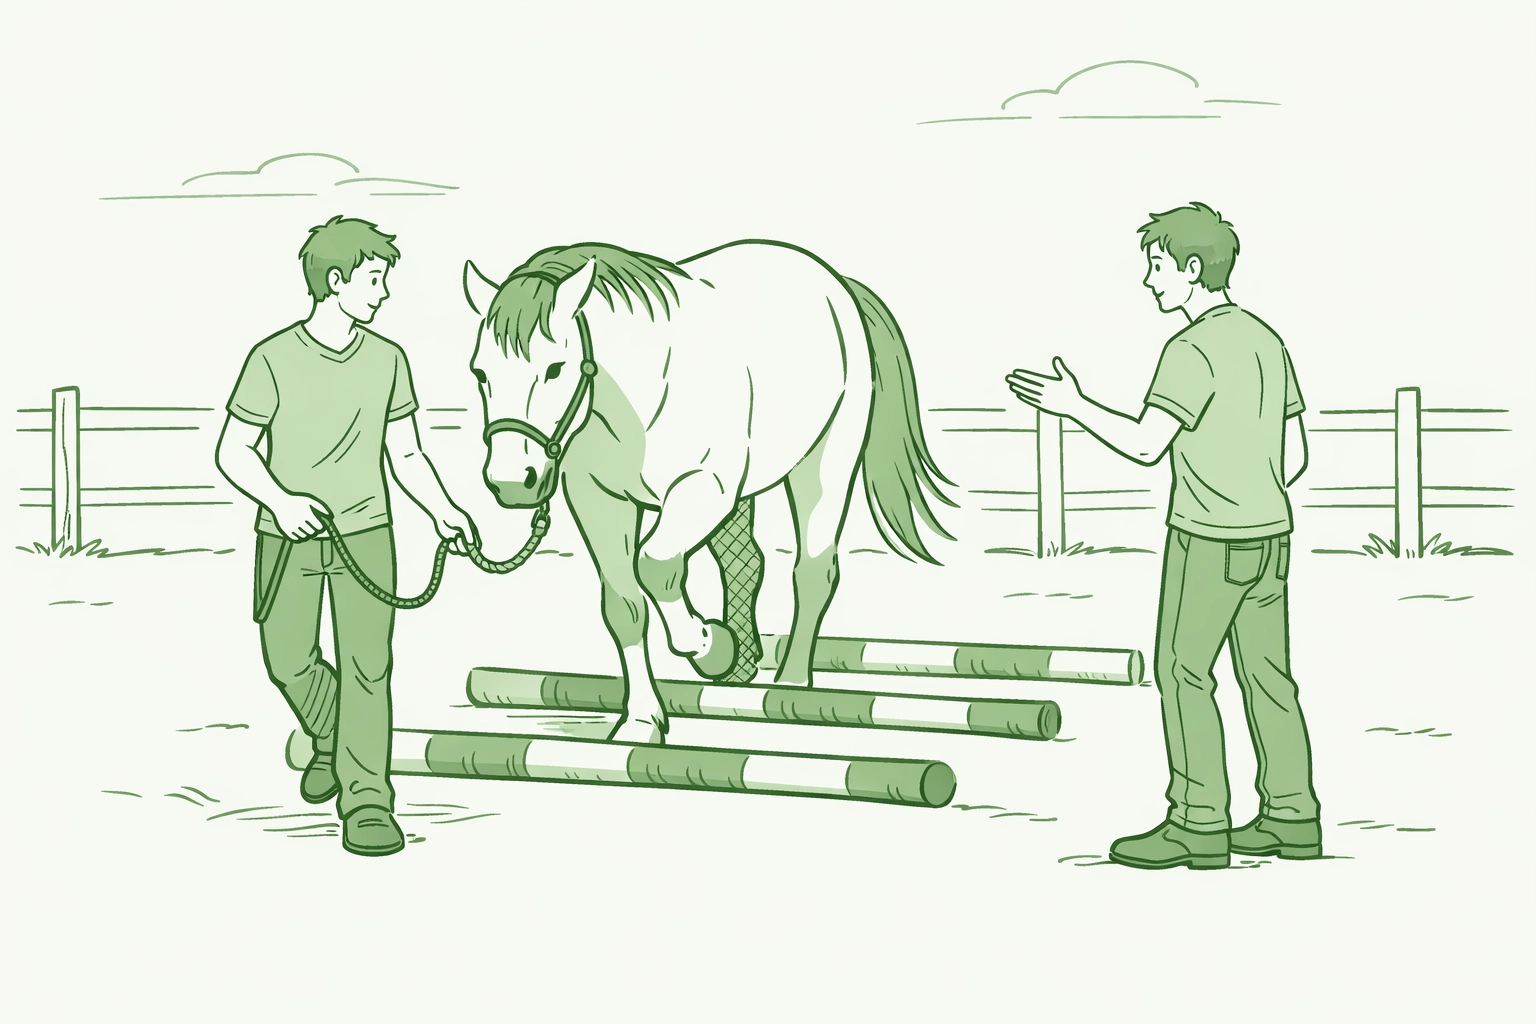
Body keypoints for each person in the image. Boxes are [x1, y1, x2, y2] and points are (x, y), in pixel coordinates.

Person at [1007, 202, 1322, 870]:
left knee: (1183, 672)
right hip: (1272, 539)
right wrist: (1250, 477)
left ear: (1192, 268)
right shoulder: (1268, 339)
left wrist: (1073, 405)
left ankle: (1198, 822)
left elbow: (1147, 445)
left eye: (1156, 267)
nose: (1149, 282)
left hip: (1208, 540)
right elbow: (1295, 457)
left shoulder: (1190, 349)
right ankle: (1293, 815)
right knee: (1269, 678)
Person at [216, 215, 478, 857]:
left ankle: (367, 803)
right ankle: (332, 737)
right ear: (335, 281)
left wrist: (444, 510)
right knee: (287, 660)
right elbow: (234, 449)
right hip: (288, 537)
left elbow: (407, 454)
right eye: (374, 277)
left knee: (369, 669)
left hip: (367, 535)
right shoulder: (270, 358)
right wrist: (279, 502)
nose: (384, 291)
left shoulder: (389, 360)